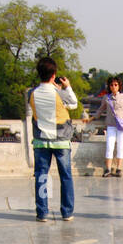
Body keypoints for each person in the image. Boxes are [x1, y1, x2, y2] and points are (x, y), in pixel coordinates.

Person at [28, 57, 80, 221]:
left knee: (42, 175)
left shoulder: (33, 93)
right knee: (65, 176)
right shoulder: (58, 92)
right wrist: (67, 87)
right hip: (61, 140)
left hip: (41, 140)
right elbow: (73, 103)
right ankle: (67, 211)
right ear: (54, 74)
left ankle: (42, 211)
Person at [95, 76, 123, 177]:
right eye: (111, 85)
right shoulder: (106, 98)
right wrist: (92, 118)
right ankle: (108, 168)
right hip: (111, 125)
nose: (113, 87)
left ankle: (119, 169)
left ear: (119, 86)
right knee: (109, 146)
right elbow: (101, 109)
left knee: (120, 147)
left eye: (115, 85)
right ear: (109, 86)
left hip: (122, 125)